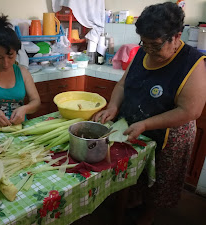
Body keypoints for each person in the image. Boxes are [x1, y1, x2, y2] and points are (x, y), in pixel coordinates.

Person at [92, 2, 206, 225]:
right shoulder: (142, 53)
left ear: (176, 37)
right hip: (134, 124)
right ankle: (134, 200)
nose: (149, 50)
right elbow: (123, 85)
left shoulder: (192, 63)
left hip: (170, 136)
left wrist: (146, 124)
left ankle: (149, 214)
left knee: (160, 182)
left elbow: (190, 110)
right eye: (144, 43)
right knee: (137, 174)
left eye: (155, 45)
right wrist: (113, 106)